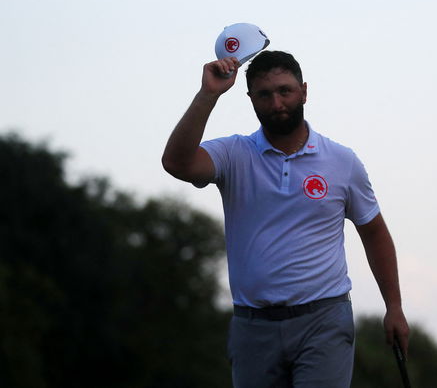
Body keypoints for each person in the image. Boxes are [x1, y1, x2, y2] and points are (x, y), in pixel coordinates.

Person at [162, 50, 409, 387]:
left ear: (304, 92)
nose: (277, 103)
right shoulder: (235, 154)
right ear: (250, 99)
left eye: (285, 91)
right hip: (253, 324)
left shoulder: (341, 161)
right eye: (264, 94)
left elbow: (375, 232)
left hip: (324, 319)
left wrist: (393, 306)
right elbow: (177, 163)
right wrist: (209, 94)